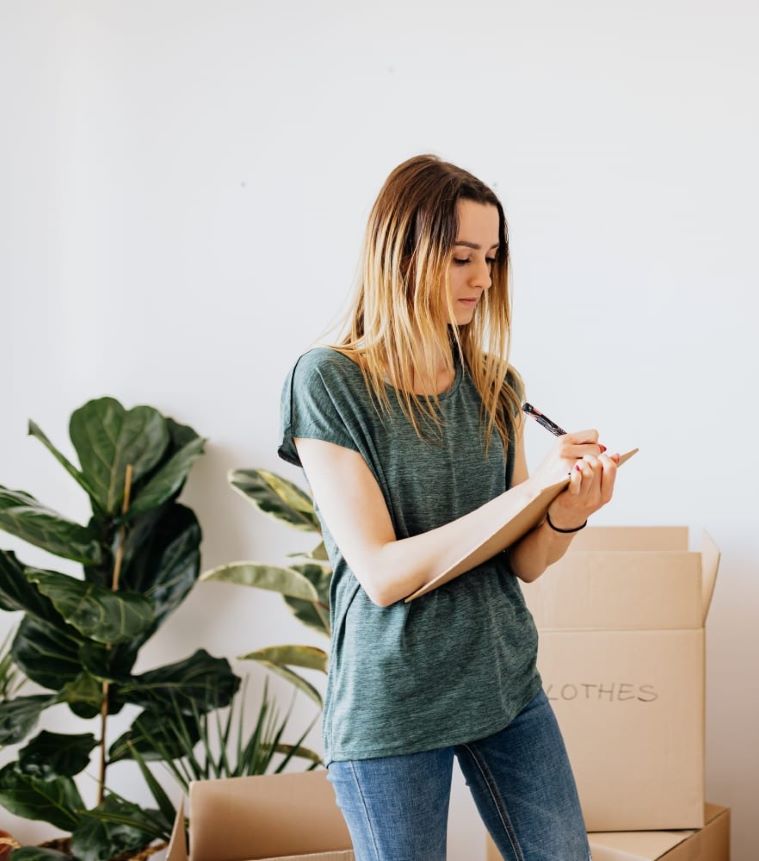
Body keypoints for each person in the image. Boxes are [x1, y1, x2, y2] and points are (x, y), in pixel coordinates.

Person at [276, 154, 619, 860]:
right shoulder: (329, 381)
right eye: (462, 256)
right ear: (401, 252)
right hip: (393, 700)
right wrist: (530, 492)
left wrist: (568, 507)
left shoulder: (495, 383)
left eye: (491, 257)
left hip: (502, 681)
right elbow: (382, 573)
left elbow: (523, 560)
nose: (483, 278)